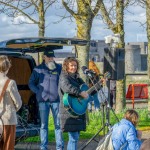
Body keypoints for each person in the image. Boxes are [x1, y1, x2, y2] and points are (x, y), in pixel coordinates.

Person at [28, 50, 64, 150]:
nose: (51, 59)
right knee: (43, 125)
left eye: (52, 57)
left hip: (56, 100)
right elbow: (31, 83)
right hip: (43, 101)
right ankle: (43, 147)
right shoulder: (38, 69)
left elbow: (63, 82)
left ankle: (59, 147)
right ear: (44, 57)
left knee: (58, 125)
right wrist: (38, 92)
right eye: (49, 57)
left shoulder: (59, 68)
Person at [58, 57, 89, 150]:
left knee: (75, 137)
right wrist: (80, 93)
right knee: (73, 137)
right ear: (66, 66)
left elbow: (86, 90)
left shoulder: (77, 78)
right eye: (71, 65)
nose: (74, 67)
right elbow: (67, 87)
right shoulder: (64, 76)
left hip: (77, 111)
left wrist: (99, 85)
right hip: (68, 111)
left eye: (75, 65)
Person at [0, 55, 22, 150]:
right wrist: (13, 110)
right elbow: (18, 103)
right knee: (8, 147)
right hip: (7, 119)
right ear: (8, 67)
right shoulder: (10, 82)